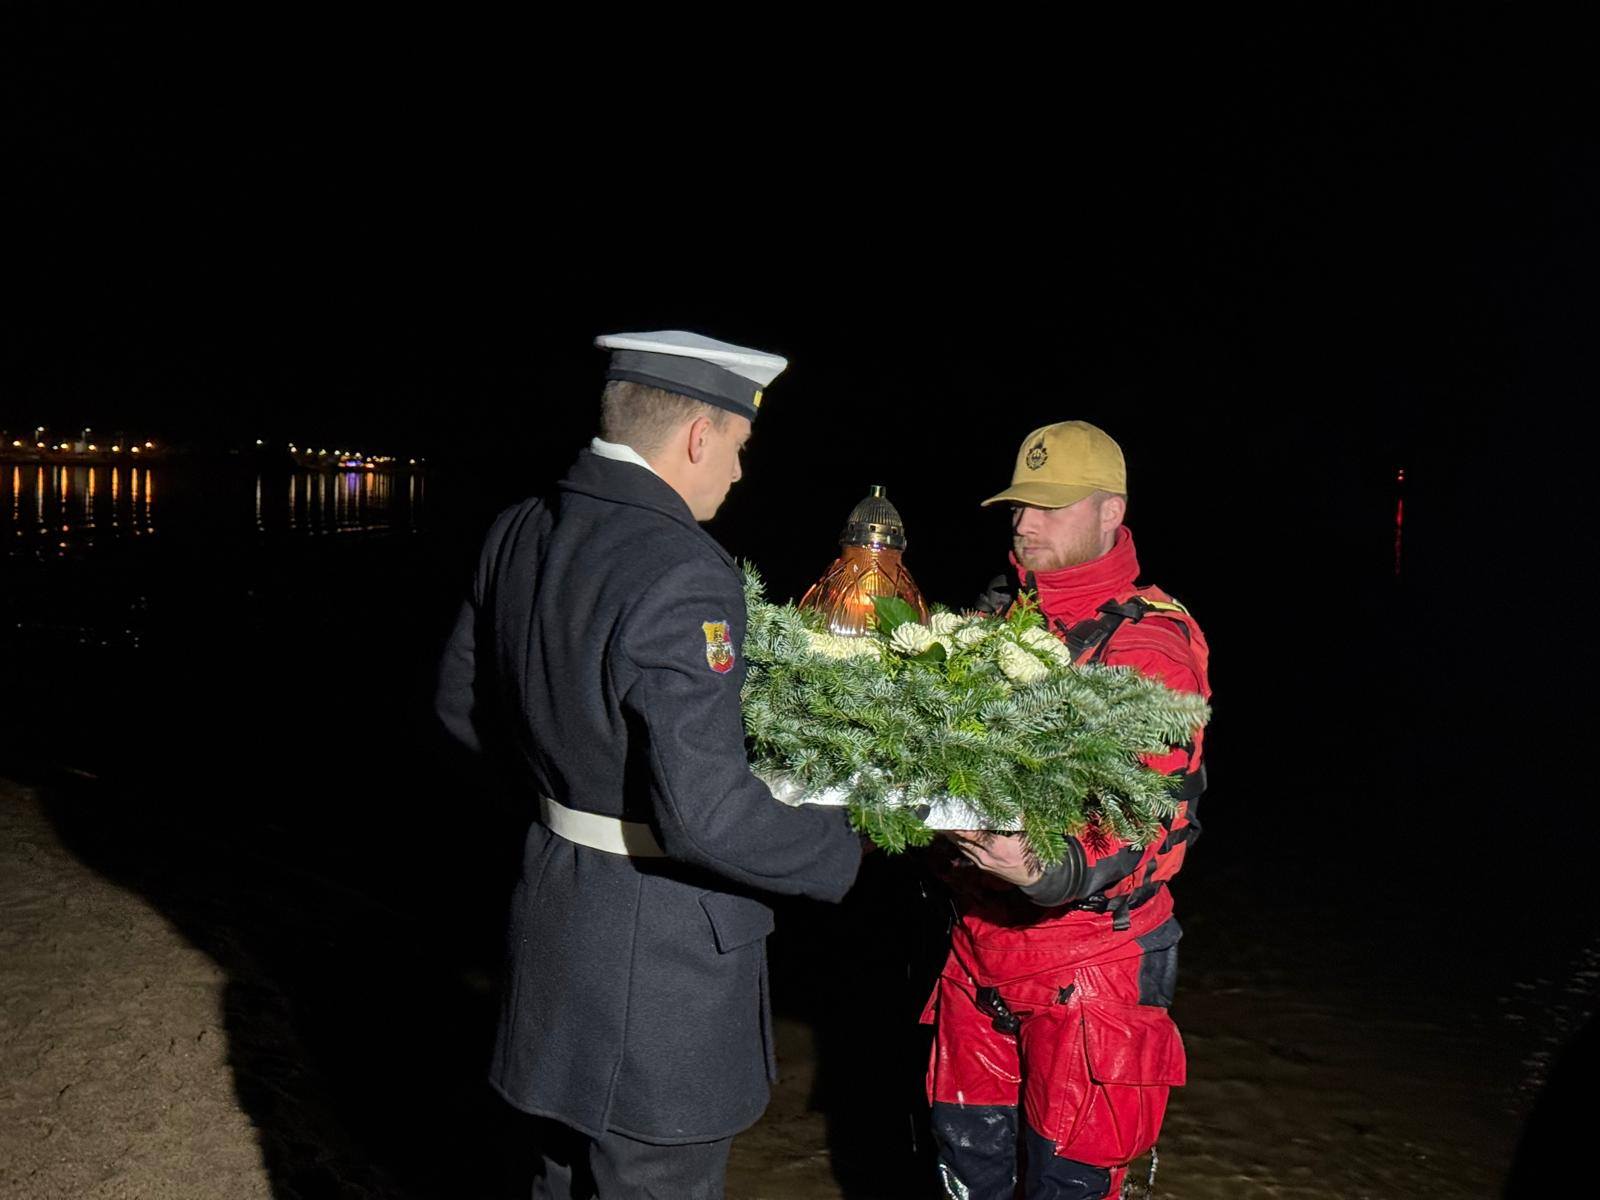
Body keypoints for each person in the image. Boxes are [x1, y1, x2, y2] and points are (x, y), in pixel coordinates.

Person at [435, 331, 863, 1200]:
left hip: (552, 918)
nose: (740, 475)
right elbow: (704, 816)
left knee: (555, 1178)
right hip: (660, 969)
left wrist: (571, 797)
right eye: (740, 450)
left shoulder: (522, 527)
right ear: (699, 437)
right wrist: (844, 846)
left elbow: (459, 706)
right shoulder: (682, 570)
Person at [924, 420, 1213, 1200]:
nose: (1025, 522)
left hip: (1091, 972)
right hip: (977, 961)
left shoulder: (1149, 647)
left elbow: (1145, 828)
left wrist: (1045, 865)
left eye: (1051, 507)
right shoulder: (996, 621)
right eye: (1021, 505)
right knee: (963, 1183)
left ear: (1111, 513)